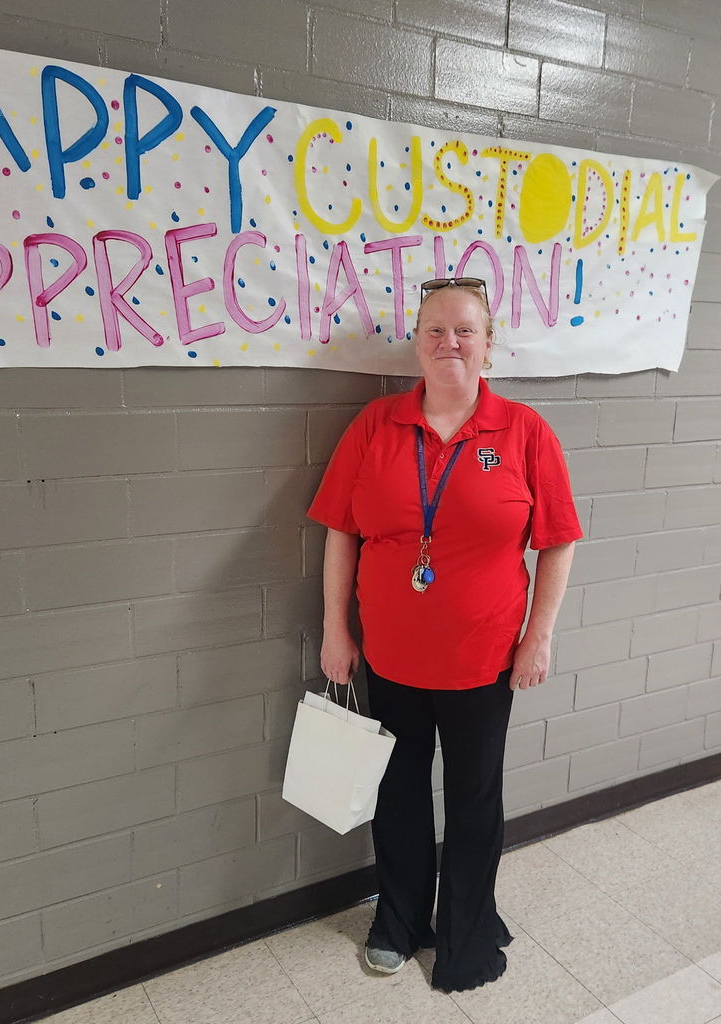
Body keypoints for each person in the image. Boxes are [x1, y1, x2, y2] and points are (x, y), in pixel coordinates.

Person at [307, 276, 581, 992]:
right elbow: (341, 531)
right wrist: (336, 629)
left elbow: (557, 542)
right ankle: (399, 922)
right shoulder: (375, 426)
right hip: (390, 660)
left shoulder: (524, 431)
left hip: (484, 662)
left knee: (473, 803)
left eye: (465, 330)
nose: (449, 342)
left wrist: (539, 637)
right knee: (397, 796)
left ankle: (465, 934)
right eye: (435, 330)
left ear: (488, 346)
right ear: (417, 346)